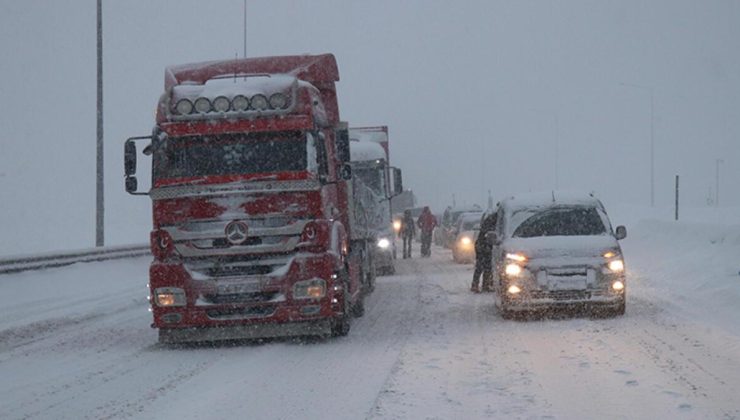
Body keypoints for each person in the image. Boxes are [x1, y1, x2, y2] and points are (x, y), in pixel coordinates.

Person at [471, 211, 497, 293]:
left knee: (487, 266)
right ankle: (475, 285)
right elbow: (485, 232)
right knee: (481, 265)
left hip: (486, 245)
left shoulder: (494, 219)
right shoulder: (493, 219)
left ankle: (485, 285)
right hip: (483, 245)